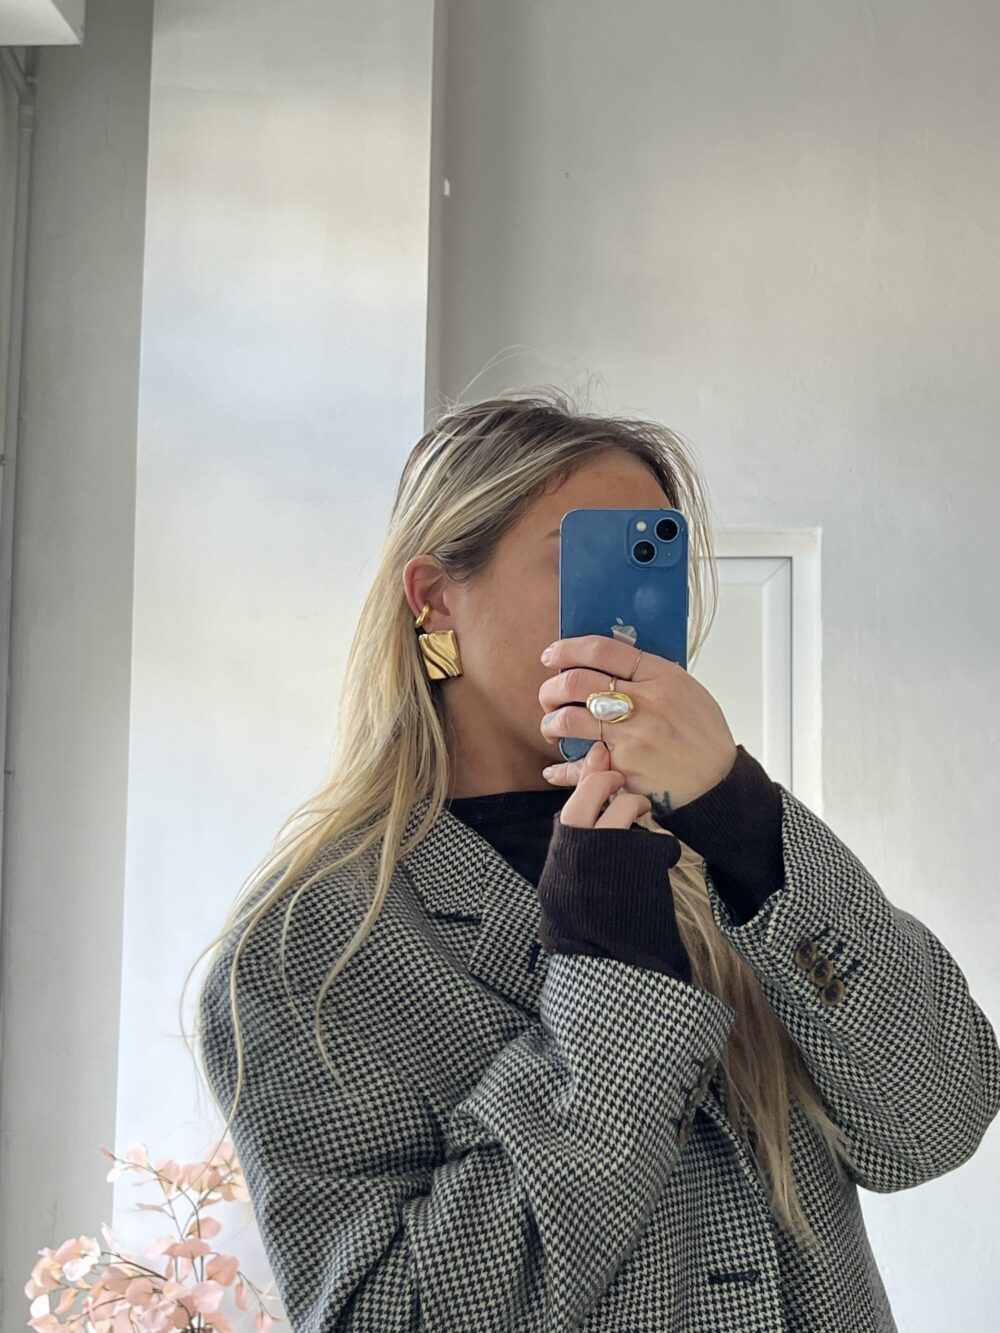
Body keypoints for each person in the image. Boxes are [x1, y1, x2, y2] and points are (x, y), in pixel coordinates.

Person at [189, 387, 1000, 1332]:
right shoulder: (308, 950)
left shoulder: (727, 861)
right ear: (434, 598)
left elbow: (937, 1120)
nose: (633, 608)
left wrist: (745, 821)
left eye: (654, 555)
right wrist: (612, 979)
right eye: (587, 561)